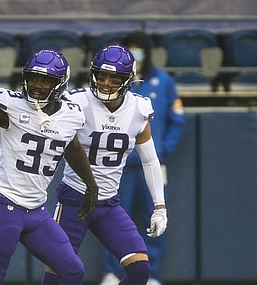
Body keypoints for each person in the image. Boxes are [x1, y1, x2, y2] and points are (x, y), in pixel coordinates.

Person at [0, 49, 99, 285]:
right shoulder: (11, 105)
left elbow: (71, 147)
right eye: (33, 78)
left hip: (37, 213)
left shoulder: (71, 115)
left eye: (45, 80)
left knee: (73, 271)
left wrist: (91, 185)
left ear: (59, 84)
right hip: (4, 207)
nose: (37, 85)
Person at [40, 44, 167, 285]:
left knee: (140, 268)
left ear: (128, 80)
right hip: (74, 199)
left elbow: (150, 160)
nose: (106, 82)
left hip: (109, 202)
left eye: (114, 77)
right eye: (102, 75)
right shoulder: (76, 101)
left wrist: (160, 207)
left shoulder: (139, 108)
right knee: (60, 271)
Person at [100, 31, 185, 285]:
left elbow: (177, 121)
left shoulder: (164, 82)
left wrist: (163, 150)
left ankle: (152, 275)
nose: (135, 53)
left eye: (139, 49)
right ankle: (113, 273)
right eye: (131, 49)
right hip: (118, 167)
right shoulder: (112, 81)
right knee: (111, 221)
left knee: (155, 218)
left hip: (152, 165)